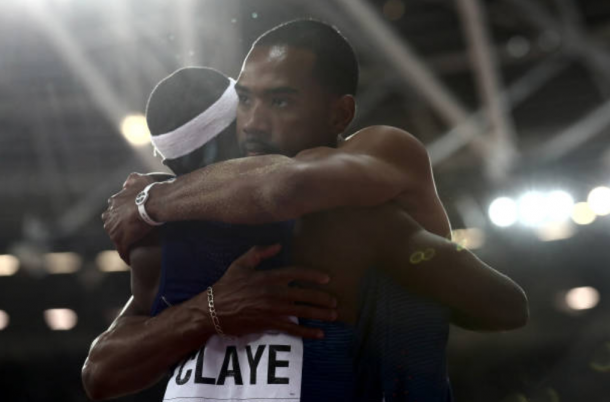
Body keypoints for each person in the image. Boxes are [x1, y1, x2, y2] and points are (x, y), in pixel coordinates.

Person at [89, 20, 528, 401]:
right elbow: (100, 375)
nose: (254, 122)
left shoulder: (378, 157)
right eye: (245, 100)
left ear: (341, 113)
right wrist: (207, 313)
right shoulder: (185, 227)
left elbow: (286, 186)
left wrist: (152, 202)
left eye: (280, 101)